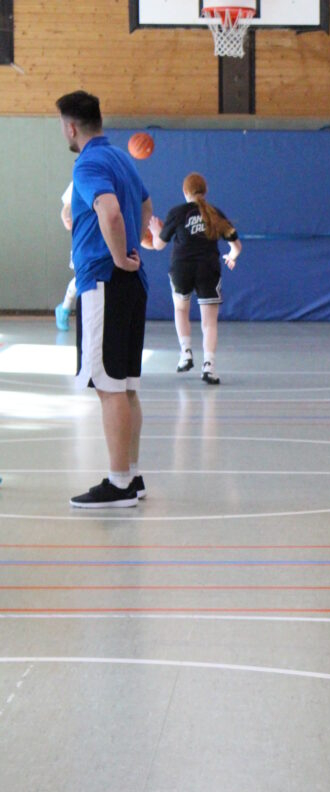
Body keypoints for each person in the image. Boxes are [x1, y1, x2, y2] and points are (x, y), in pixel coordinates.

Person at [56, 90, 153, 508]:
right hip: (131, 284)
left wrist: (117, 255)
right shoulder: (121, 159)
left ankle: (118, 484)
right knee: (126, 387)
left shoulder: (88, 163)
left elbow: (110, 212)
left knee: (109, 387)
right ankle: (132, 476)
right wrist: (132, 248)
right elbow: (146, 206)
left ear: (71, 128)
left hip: (104, 281)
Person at [147, 172, 241, 386]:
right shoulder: (215, 213)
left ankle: (186, 353)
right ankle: (209, 366)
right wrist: (231, 257)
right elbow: (236, 246)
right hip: (208, 268)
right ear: (205, 191)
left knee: (181, 310)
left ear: (184, 191)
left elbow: (158, 245)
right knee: (209, 322)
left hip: (182, 267)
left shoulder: (177, 212)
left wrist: (156, 231)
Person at [54, 182, 78, 331]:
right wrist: (66, 219)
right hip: (82, 237)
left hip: (105, 237)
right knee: (81, 276)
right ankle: (64, 308)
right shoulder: (79, 179)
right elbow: (66, 208)